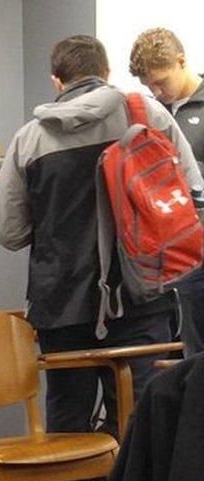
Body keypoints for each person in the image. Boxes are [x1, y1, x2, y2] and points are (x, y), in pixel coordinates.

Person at [0, 35, 203, 481]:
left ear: (56, 81)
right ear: (106, 72)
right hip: (141, 294)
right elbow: (192, 195)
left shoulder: (28, 139)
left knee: (67, 416)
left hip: (62, 302)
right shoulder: (147, 113)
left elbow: (9, 232)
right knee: (147, 409)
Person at [129, 28, 204, 356]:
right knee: (170, 359)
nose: (156, 92)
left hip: (199, 248)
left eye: (161, 82)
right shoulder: (147, 116)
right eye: (149, 86)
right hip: (163, 256)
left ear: (181, 61)